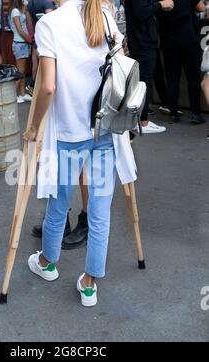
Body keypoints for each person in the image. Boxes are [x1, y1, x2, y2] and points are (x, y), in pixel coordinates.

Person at [23, 0, 138, 307]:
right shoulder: (104, 16)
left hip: (69, 131)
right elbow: (122, 71)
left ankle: (48, 263)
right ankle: (90, 283)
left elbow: (47, 87)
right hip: (104, 128)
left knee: (59, 202)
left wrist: (33, 127)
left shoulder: (49, 24)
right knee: (100, 210)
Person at [125, 0, 174, 134]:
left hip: (143, 40)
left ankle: (141, 119)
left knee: (143, 80)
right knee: (144, 81)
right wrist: (160, 4)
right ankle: (143, 121)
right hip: (143, 41)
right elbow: (141, 12)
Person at [158, 0, 207, 124]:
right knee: (193, 77)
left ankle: (173, 113)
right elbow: (201, 8)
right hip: (188, 38)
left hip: (168, 39)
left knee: (172, 78)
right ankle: (195, 113)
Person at [26, 0, 56, 95]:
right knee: (49, 66)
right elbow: (51, 21)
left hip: (37, 36)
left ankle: (34, 86)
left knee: (36, 64)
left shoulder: (30, 4)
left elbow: (29, 24)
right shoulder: (47, 3)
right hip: (49, 39)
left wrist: (34, 36)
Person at [10, 0, 33, 104]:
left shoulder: (22, 11)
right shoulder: (15, 11)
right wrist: (29, 40)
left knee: (22, 72)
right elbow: (19, 29)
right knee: (20, 71)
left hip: (23, 43)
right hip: (20, 43)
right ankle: (14, 96)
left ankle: (23, 94)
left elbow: (29, 25)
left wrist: (25, 10)